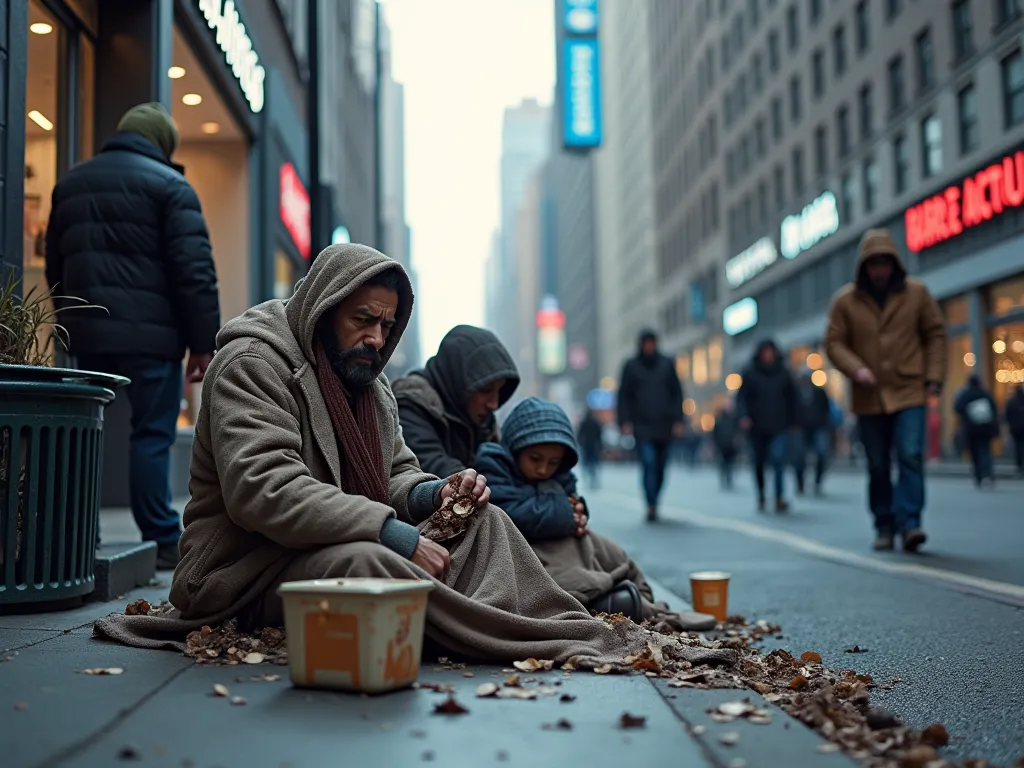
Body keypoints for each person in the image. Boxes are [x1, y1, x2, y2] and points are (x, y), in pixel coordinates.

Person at [94, 244, 675, 666]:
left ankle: (538, 621)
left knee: (486, 520)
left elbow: (395, 471)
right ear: (324, 308)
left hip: (334, 541)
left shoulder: (370, 385)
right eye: (363, 320)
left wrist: (436, 495)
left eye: (387, 324)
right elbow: (265, 491)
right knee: (373, 569)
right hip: (245, 569)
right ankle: (502, 632)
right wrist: (393, 533)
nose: (375, 337)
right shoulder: (251, 365)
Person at [44, 102, 220, 569]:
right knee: (151, 435)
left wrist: (70, 320)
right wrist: (203, 343)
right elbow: (194, 272)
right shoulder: (171, 186)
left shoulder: (71, 183)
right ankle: (162, 540)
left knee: (85, 433)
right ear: (162, 143)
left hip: (87, 337)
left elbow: (55, 266)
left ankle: (81, 534)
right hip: (153, 340)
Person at [474, 397, 716, 631]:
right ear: (515, 448)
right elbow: (509, 512)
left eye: (553, 462)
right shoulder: (495, 464)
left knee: (611, 553)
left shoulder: (559, 473)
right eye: (535, 459)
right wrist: (566, 514)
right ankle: (616, 603)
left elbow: (571, 500)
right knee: (567, 577)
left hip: (563, 537)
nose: (543, 469)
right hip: (527, 550)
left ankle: (644, 601)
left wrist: (577, 513)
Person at [826, 228, 946, 553]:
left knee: (910, 455)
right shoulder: (845, 302)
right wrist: (856, 369)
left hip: (909, 390)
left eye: (885, 263)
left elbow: (935, 334)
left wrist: (934, 376)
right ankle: (883, 523)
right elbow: (834, 343)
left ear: (895, 264)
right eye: (873, 264)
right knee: (878, 464)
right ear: (864, 266)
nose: (880, 270)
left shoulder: (917, 294)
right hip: (869, 397)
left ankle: (910, 524)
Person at [392, 326, 519, 477]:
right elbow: (434, 466)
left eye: (499, 391)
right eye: (486, 390)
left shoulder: (479, 415)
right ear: (459, 382)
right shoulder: (413, 404)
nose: (494, 404)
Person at [616, 329, 685, 522]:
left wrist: (678, 420)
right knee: (648, 463)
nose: (648, 346)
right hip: (642, 426)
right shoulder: (631, 366)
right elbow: (623, 396)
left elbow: (677, 394)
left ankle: (655, 498)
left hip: (664, 425)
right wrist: (624, 422)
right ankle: (651, 504)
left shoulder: (667, 364)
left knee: (661, 467)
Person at [737, 340, 797, 513]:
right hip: (757, 427)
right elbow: (741, 399)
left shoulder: (783, 373)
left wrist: (793, 422)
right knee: (759, 462)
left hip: (779, 425)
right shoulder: (750, 373)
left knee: (778, 459)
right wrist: (744, 417)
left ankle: (778, 496)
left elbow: (792, 399)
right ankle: (762, 494)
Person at [954, 375, 1000, 488]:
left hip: (971, 429)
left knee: (975, 453)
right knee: (985, 451)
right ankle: (987, 474)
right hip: (985, 429)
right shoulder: (985, 394)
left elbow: (957, 407)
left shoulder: (966, 394)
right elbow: (994, 409)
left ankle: (979, 475)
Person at [793, 369, 832, 496]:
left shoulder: (819, 392)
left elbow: (826, 409)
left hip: (818, 427)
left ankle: (817, 482)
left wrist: (826, 424)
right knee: (799, 457)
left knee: (822, 453)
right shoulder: (795, 393)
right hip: (800, 428)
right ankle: (800, 482)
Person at [712, 402, 742, 489]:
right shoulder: (731, 421)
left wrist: (715, 444)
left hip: (723, 445)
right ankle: (728, 479)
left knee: (724, 463)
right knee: (729, 463)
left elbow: (714, 435)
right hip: (729, 445)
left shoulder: (719, 422)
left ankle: (725, 479)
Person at [575, 408, 603, 489]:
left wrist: (581, 442)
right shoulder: (596, 423)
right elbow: (599, 435)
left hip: (586, 445)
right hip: (593, 445)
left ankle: (589, 477)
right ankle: (593, 477)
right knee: (594, 463)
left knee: (587, 462)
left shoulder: (584, 423)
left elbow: (579, 434)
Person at [1006, 384, 1024, 476]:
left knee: (1018, 447)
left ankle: (1019, 465)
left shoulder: (1012, 402)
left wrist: (1010, 425)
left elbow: (1007, 415)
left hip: (1016, 429)